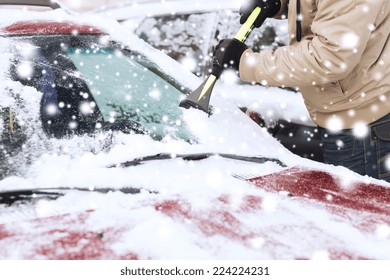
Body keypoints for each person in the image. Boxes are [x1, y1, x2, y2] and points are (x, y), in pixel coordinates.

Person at [212, 0, 390, 182]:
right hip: (347, 115)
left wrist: (247, 63)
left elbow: (329, 58)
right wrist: (280, 4)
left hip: (364, 128)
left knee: (357, 207)